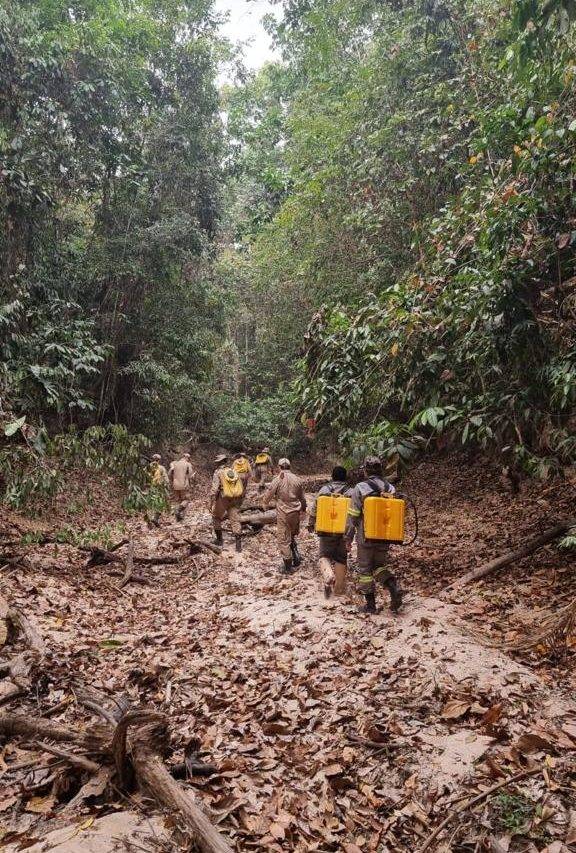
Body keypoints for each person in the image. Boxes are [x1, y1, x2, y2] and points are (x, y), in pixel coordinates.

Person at [345, 455, 403, 614]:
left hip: (366, 536)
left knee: (365, 570)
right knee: (379, 566)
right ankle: (393, 586)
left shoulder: (360, 488)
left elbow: (353, 515)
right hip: (385, 535)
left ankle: (370, 605)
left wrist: (348, 537)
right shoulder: (390, 488)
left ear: (366, 470)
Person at [308, 466, 352, 598]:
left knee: (324, 555)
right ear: (345, 477)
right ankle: (339, 590)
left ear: (332, 477)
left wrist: (311, 523)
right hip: (343, 531)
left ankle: (328, 575)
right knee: (341, 558)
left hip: (325, 530)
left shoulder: (324, 490)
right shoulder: (351, 492)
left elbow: (315, 508)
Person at [263, 458, 306, 574]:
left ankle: (288, 567)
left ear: (279, 467)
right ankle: (296, 558)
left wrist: (264, 504)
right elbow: (302, 498)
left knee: (283, 540)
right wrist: (303, 509)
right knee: (291, 535)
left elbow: (269, 494)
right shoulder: (297, 479)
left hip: (284, 513)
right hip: (295, 512)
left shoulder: (278, 479)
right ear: (290, 467)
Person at [209, 453, 243, 552]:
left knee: (215, 517)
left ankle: (219, 540)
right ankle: (238, 546)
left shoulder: (218, 472)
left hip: (223, 498)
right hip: (234, 497)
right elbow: (240, 485)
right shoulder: (232, 470)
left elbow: (214, 489)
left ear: (219, 462)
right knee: (235, 519)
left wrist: (211, 502)